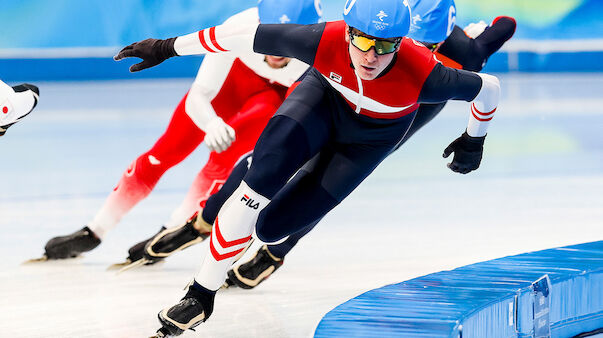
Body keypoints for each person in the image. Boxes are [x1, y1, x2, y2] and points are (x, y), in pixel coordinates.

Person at [114, 0, 502, 335]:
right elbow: (236, 36)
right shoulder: (323, 38)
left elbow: (489, 87)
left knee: (271, 227)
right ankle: (200, 294)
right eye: (363, 40)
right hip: (320, 103)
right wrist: (166, 46)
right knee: (258, 178)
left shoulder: (428, 72)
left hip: (369, 140)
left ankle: (270, 249)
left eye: (384, 46)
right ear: (349, 31)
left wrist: (474, 138)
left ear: (402, 43)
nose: (370, 56)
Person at [38, 0, 323, 262]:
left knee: (223, 161)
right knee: (163, 153)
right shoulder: (238, 28)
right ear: (258, 25)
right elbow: (199, 94)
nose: (274, 52)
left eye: (285, 39)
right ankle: (95, 229)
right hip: (233, 80)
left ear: (307, 34)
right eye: (269, 36)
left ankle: (172, 230)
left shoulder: (322, 50)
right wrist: (211, 123)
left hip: (276, 96)